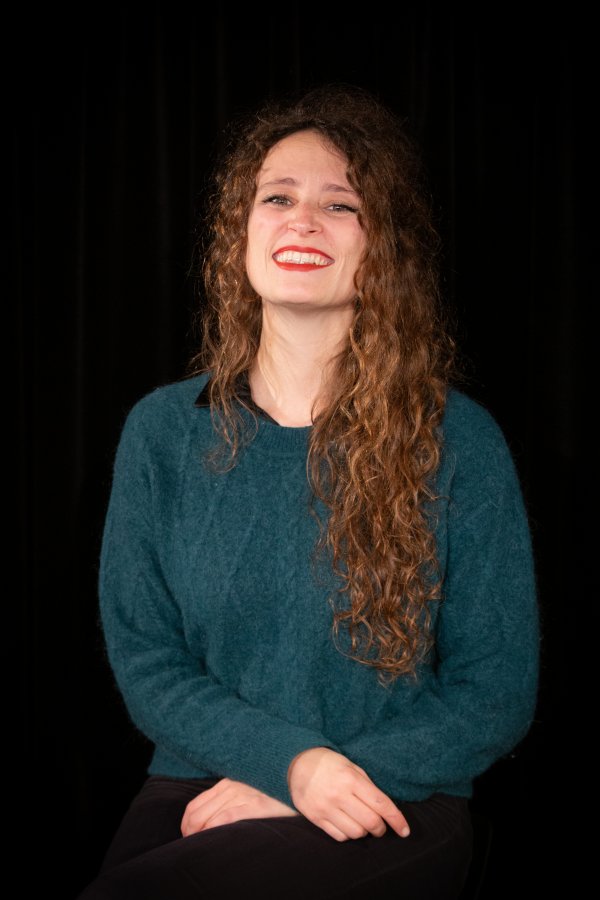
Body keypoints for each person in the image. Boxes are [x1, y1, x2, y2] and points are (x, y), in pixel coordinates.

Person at [77, 82, 539, 899]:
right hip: (205, 781)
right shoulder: (163, 433)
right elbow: (146, 660)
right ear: (240, 232)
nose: (303, 221)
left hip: (390, 793)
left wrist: (318, 777)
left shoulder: (457, 440)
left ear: (383, 246)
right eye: (278, 197)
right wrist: (288, 764)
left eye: (340, 205)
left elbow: (494, 693)